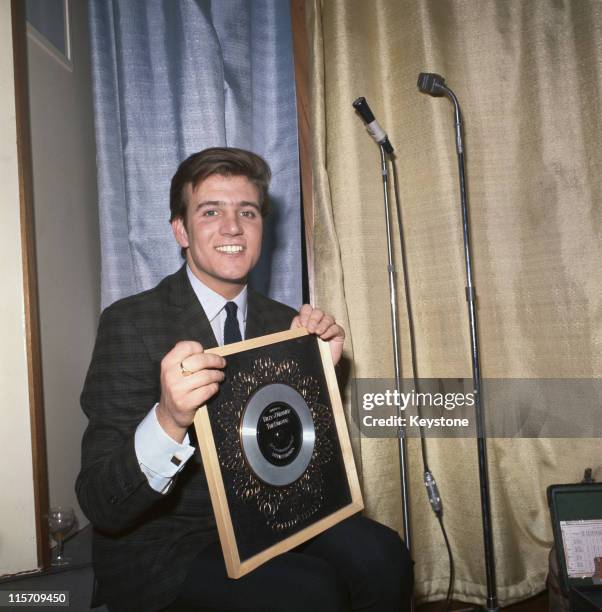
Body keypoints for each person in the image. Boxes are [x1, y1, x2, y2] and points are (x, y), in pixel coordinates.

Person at [77, 147, 412, 612]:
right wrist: (169, 419)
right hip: (168, 543)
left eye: (247, 212)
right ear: (181, 230)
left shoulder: (285, 323)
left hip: (272, 520)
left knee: (383, 554)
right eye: (210, 211)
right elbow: (101, 502)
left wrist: (317, 381)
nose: (232, 227)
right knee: (310, 592)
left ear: (261, 228)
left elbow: (296, 465)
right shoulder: (129, 322)